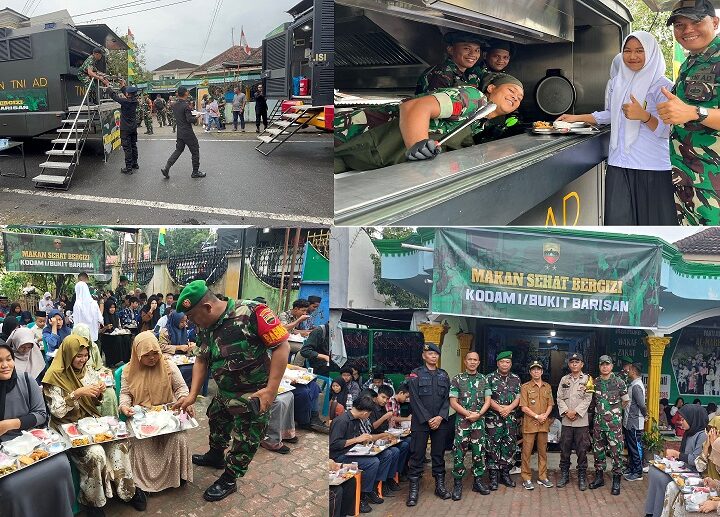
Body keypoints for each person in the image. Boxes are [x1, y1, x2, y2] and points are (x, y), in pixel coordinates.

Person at [172, 280, 290, 502]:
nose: (194, 325)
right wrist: (192, 394)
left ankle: (230, 477)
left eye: (195, 318)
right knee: (217, 421)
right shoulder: (206, 325)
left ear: (208, 307)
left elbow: (282, 346)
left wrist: (271, 390)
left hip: (252, 393)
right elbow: (201, 358)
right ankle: (216, 456)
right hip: (225, 392)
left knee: (246, 437)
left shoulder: (252, 312)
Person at [557, 31, 676, 225]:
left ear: (652, 53)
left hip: (651, 166)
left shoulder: (663, 86)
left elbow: (667, 131)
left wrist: (644, 116)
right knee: (619, 223)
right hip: (619, 163)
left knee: (654, 223)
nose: (632, 56)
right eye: (627, 51)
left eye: (639, 51)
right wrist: (575, 118)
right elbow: (612, 115)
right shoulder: (618, 83)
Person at [334, 73, 524, 173]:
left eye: (520, 97)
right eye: (511, 90)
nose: (515, 97)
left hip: (367, 154)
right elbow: (414, 107)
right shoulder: (474, 98)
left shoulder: (481, 122)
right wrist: (417, 144)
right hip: (354, 132)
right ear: (491, 88)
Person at [43, 335, 146, 516]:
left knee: (119, 444)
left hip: (90, 422)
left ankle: (127, 491)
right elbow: (57, 411)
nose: (83, 360)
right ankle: (92, 502)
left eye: (85, 355)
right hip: (66, 426)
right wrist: (76, 394)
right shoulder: (53, 377)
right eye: (78, 355)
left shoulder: (87, 369)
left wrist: (97, 393)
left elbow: (95, 403)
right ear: (68, 354)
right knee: (95, 453)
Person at [658, 0, 720, 225]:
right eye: (679, 25)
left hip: (713, 184)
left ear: (715, 22)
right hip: (686, 178)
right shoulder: (690, 62)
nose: (687, 30)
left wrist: (694, 112)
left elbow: (691, 112)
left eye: (695, 21)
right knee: (694, 252)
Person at [0, 342, 74, 517]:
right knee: (10, 486)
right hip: (4, 450)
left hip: (31, 440)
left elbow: (41, 414)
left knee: (61, 465)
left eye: (8, 359)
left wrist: (8, 425)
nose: (5, 365)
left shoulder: (25, 380)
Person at [119, 331, 194, 492]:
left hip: (167, 414)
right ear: (137, 354)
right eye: (147, 355)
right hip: (142, 417)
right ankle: (142, 484)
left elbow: (180, 387)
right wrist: (124, 406)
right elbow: (125, 394)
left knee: (179, 438)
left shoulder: (168, 365)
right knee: (139, 443)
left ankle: (176, 476)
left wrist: (184, 400)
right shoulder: (128, 371)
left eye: (155, 353)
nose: (152, 358)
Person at [329, 395, 394, 513]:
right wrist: (357, 440)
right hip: (339, 456)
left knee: (385, 455)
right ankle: (363, 496)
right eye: (369, 414)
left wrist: (365, 440)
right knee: (372, 463)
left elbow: (359, 439)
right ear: (365, 413)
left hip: (353, 451)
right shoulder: (342, 421)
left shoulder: (356, 420)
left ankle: (372, 488)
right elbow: (333, 445)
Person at [406, 343, 452, 506]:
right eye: (430, 354)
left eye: (436, 354)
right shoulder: (415, 374)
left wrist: (439, 417)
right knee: (417, 455)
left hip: (440, 422)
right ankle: (413, 490)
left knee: (438, 455)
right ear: (424, 356)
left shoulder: (444, 375)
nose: (433, 356)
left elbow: (448, 398)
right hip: (420, 422)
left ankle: (440, 486)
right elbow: (414, 399)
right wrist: (427, 418)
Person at [645, 404, 708, 517]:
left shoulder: (702, 435)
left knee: (662, 478)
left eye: (684, 419)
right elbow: (683, 455)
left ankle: (658, 513)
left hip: (694, 473)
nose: (681, 422)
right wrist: (674, 458)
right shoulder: (689, 432)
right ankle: (651, 511)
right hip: (684, 466)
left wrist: (676, 454)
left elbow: (695, 460)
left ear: (693, 419)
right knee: (653, 471)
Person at [449, 351, 492, 500]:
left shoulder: (484, 379)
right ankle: (458, 484)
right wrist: (469, 414)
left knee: (478, 453)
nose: (472, 362)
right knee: (459, 454)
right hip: (462, 423)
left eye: (475, 360)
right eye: (470, 359)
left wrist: (478, 415)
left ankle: (478, 482)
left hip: (478, 423)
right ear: (465, 361)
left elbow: (487, 401)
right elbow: (453, 402)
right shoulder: (457, 379)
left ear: (478, 362)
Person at [588, 355, 629, 496]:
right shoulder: (595, 383)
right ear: (599, 366)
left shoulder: (619, 382)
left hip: (614, 426)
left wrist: (614, 414)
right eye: (602, 364)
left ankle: (616, 481)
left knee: (616, 453)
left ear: (611, 366)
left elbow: (625, 401)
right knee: (598, 452)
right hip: (598, 425)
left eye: (607, 364)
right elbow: (593, 402)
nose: (605, 367)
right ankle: (599, 478)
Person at [556, 352, 594, 490]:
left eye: (577, 362)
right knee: (564, 449)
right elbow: (559, 398)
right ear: (569, 364)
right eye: (572, 362)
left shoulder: (588, 379)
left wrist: (576, 412)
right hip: (566, 421)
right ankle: (564, 475)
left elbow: (588, 398)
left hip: (581, 422)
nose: (574, 364)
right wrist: (567, 412)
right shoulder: (564, 379)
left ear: (582, 364)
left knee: (582, 450)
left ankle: (582, 477)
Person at [485, 350, 521, 490]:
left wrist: (509, 408)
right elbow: (487, 398)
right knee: (492, 446)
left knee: (508, 446)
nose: (505, 364)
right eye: (502, 362)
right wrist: (501, 409)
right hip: (493, 419)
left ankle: (505, 474)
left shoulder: (516, 378)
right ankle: (493, 477)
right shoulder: (488, 378)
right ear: (497, 363)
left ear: (511, 364)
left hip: (510, 419)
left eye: (508, 362)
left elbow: (518, 397)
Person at [519, 360, 554, 490]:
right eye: (533, 369)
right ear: (530, 372)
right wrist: (537, 416)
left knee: (543, 452)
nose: (536, 371)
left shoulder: (547, 386)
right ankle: (526, 478)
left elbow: (550, 404)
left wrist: (545, 415)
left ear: (542, 371)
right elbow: (523, 407)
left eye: (538, 369)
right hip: (530, 424)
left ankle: (542, 476)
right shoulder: (525, 387)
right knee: (527, 453)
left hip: (543, 424)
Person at [415, 31, 486, 95]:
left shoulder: (465, 74)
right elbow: (437, 106)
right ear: (451, 50)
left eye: (477, 50)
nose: (473, 54)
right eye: (467, 48)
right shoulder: (440, 74)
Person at [161, 86, 205, 179]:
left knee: (178, 150)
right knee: (195, 151)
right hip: (188, 133)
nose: (188, 93)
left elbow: (183, 116)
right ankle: (195, 172)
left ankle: (166, 168)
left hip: (180, 132)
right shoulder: (186, 105)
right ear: (185, 93)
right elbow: (189, 119)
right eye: (187, 92)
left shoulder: (175, 105)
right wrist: (197, 117)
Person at [105, 79, 140, 174]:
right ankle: (135, 164)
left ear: (129, 94)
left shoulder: (126, 102)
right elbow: (127, 95)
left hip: (125, 129)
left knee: (127, 148)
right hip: (133, 128)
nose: (126, 93)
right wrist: (123, 85)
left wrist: (108, 87)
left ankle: (128, 168)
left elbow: (114, 96)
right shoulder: (134, 101)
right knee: (133, 146)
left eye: (127, 92)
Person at [623, 362, 648, 482]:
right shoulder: (633, 384)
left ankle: (638, 472)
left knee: (636, 447)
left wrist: (645, 415)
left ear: (633, 371)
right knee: (631, 447)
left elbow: (642, 405)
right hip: (629, 422)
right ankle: (632, 468)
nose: (627, 371)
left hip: (635, 423)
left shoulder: (637, 386)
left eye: (629, 369)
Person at [72, 280, 104, 345]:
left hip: (81, 338)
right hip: (94, 337)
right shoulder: (94, 303)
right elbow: (100, 319)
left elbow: (76, 322)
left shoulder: (78, 304)